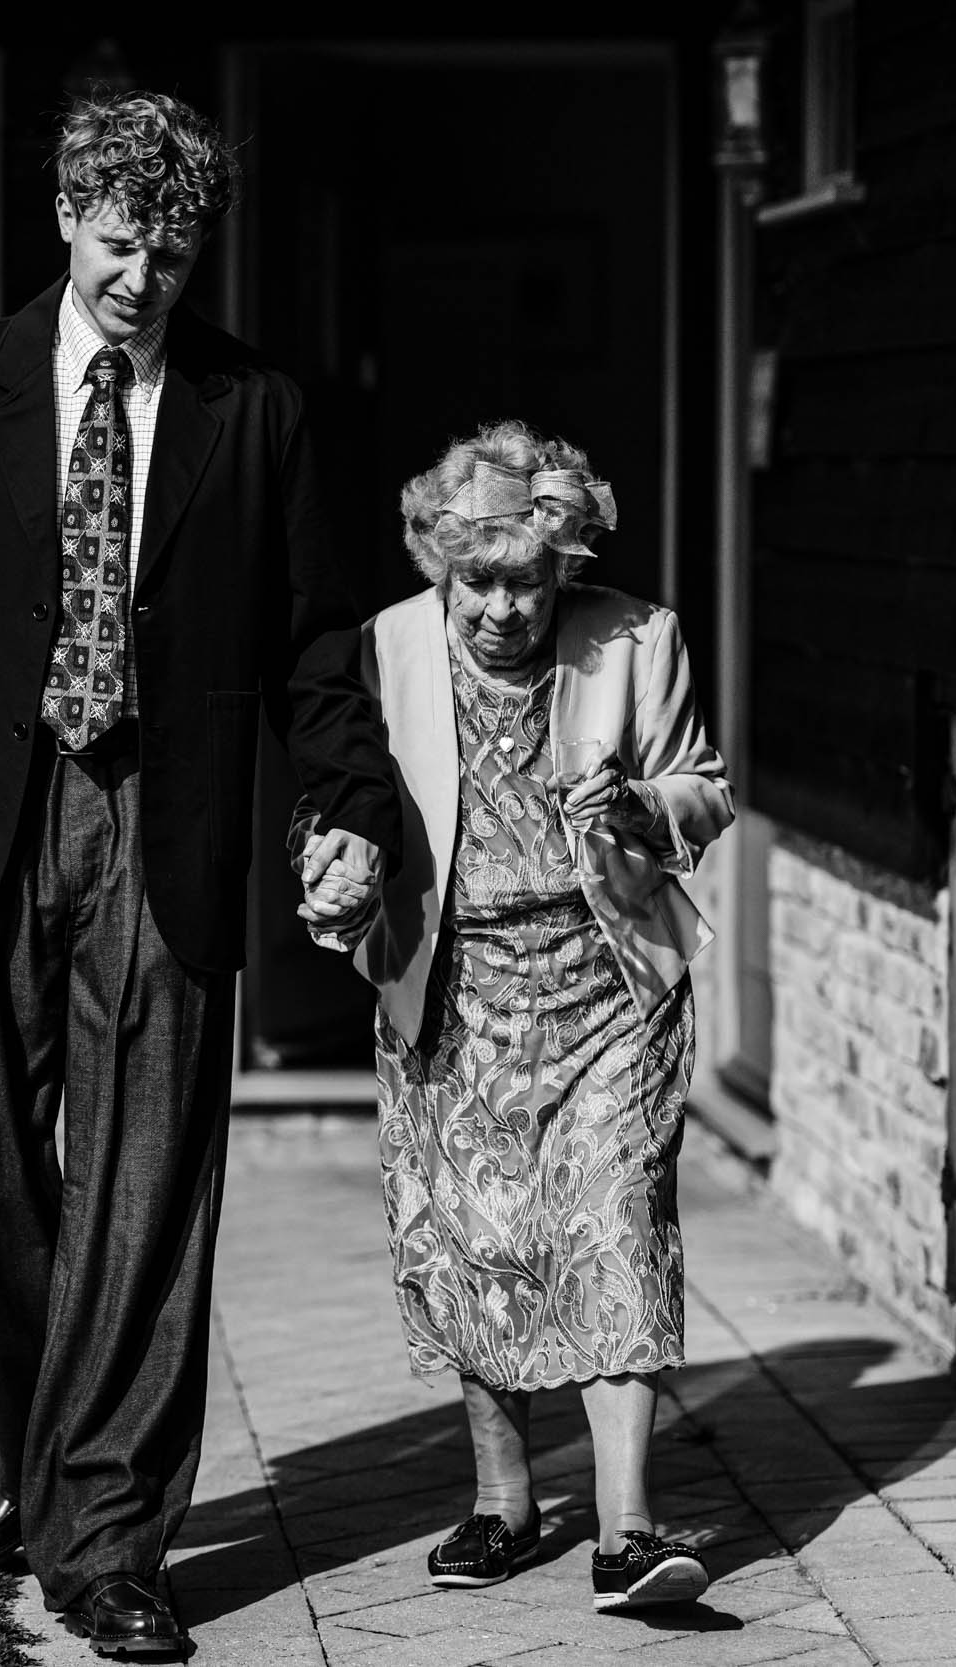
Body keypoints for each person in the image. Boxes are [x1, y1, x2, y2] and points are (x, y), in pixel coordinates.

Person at [0, 91, 400, 1658]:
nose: (144, 271)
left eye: (172, 244)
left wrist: (342, 803)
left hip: (168, 812)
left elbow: (314, 637)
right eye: (119, 236)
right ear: (69, 221)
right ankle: (28, 1442)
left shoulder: (255, 408)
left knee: (146, 1192)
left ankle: (109, 1546)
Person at [292, 420, 732, 1614]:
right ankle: (502, 1502)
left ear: (564, 568)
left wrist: (640, 805)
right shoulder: (386, 647)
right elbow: (335, 794)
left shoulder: (637, 639)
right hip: (455, 985)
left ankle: (627, 1530)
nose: (497, 608)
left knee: (614, 1219)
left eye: (524, 583)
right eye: (473, 580)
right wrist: (329, 864)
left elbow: (705, 781)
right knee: (474, 1238)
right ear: (440, 561)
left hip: (608, 984)